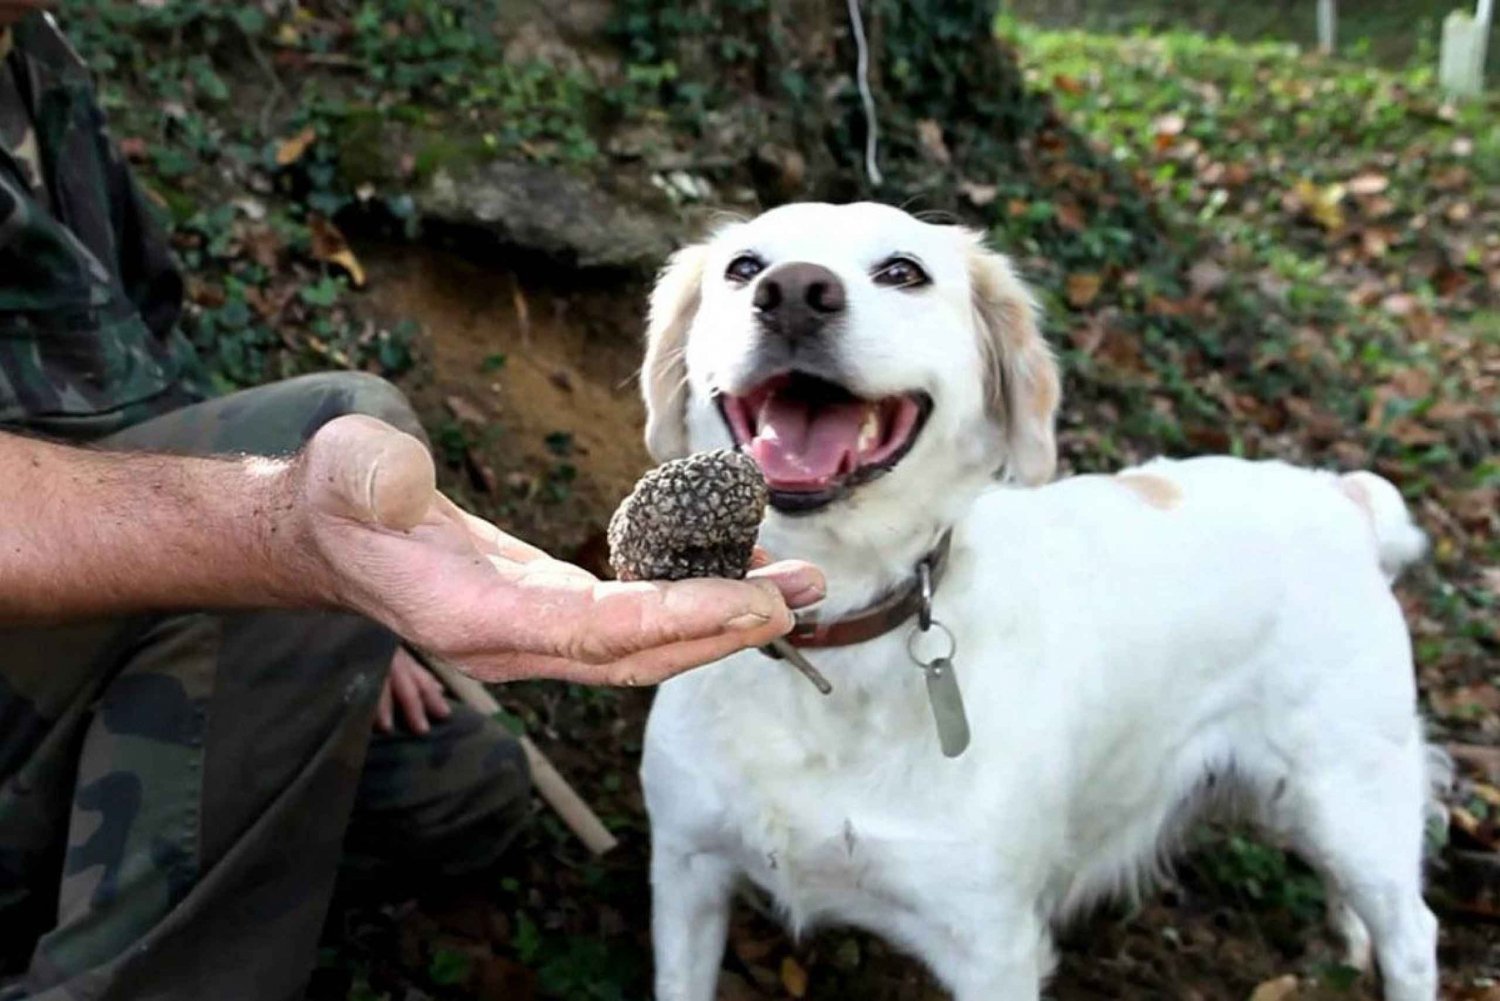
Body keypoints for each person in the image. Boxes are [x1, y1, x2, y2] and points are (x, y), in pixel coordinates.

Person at [0, 6, 822, 1000]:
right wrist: (271, 539)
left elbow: (156, 374)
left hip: (99, 639)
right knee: (327, 425)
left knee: (465, 790)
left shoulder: (37, 56)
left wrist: (328, 608)